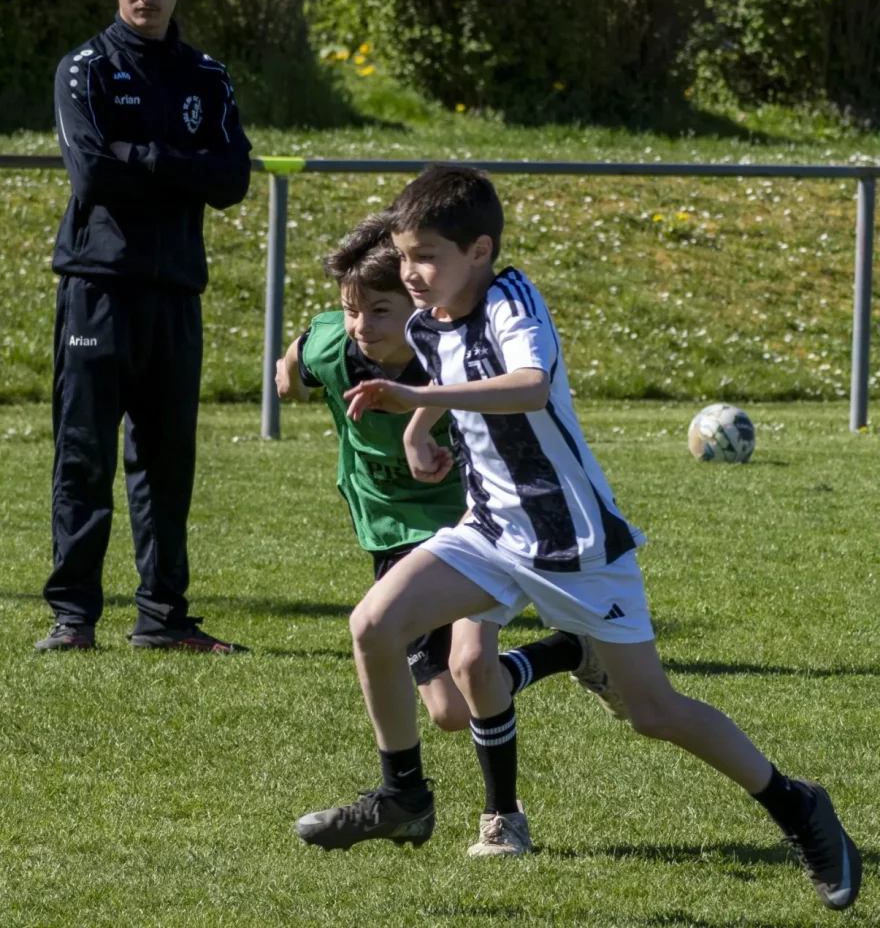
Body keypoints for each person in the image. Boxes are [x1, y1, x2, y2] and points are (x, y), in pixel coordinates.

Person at [295, 164, 861, 911]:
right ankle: (404, 797)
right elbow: (443, 375)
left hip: (575, 544)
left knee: (654, 712)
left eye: (426, 257)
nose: (412, 273)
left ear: (480, 251)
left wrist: (418, 399)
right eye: (405, 258)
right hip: (491, 531)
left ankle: (800, 806)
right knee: (373, 623)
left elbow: (529, 383)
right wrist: (419, 433)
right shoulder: (429, 320)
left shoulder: (511, 301)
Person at [277, 212, 622, 858]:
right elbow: (299, 351)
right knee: (448, 710)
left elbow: (498, 383)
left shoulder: (448, 342)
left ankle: (502, 819)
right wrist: (289, 377)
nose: (363, 327)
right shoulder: (336, 343)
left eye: (380, 311)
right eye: (355, 311)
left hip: (469, 527)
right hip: (389, 534)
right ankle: (568, 653)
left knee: (469, 666)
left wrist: (420, 423)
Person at [36, 0, 252, 653]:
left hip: (174, 293)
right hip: (97, 290)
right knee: (84, 455)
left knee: (166, 462)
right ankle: (74, 617)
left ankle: (163, 617)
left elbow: (233, 182)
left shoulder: (206, 77)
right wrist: (182, 165)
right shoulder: (84, 71)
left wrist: (149, 155)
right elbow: (94, 179)